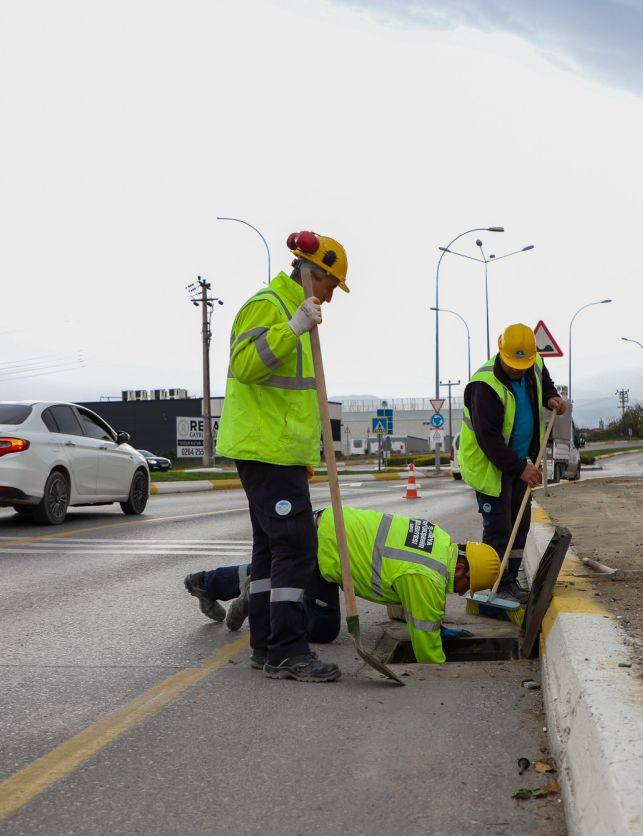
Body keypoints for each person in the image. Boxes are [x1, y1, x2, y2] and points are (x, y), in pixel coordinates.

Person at [190, 230, 348, 683]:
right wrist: (292, 328)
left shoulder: (296, 309)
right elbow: (246, 365)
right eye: (330, 285)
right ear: (311, 273)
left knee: (270, 551)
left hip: (280, 453)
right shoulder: (270, 306)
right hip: (265, 450)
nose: (332, 297)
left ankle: (264, 645)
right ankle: (287, 650)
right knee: (296, 546)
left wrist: (306, 454)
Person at [185, 506, 501, 664]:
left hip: (327, 524)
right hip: (325, 551)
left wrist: (437, 625)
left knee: (272, 567)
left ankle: (205, 583)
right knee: (322, 629)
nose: (461, 593)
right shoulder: (427, 577)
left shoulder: (440, 541)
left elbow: (400, 586)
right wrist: (440, 652)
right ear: (461, 566)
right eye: (466, 585)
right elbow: (428, 653)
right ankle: (260, 594)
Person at [457, 323, 565, 604]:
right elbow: (489, 439)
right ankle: (497, 584)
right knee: (499, 528)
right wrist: (521, 468)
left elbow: (544, 381)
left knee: (521, 524)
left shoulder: (533, 362)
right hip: (490, 465)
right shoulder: (484, 386)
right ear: (501, 353)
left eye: (523, 364)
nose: (518, 370)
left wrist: (551, 397)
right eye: (512, 364)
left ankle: (510, 581)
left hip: (518, 461)